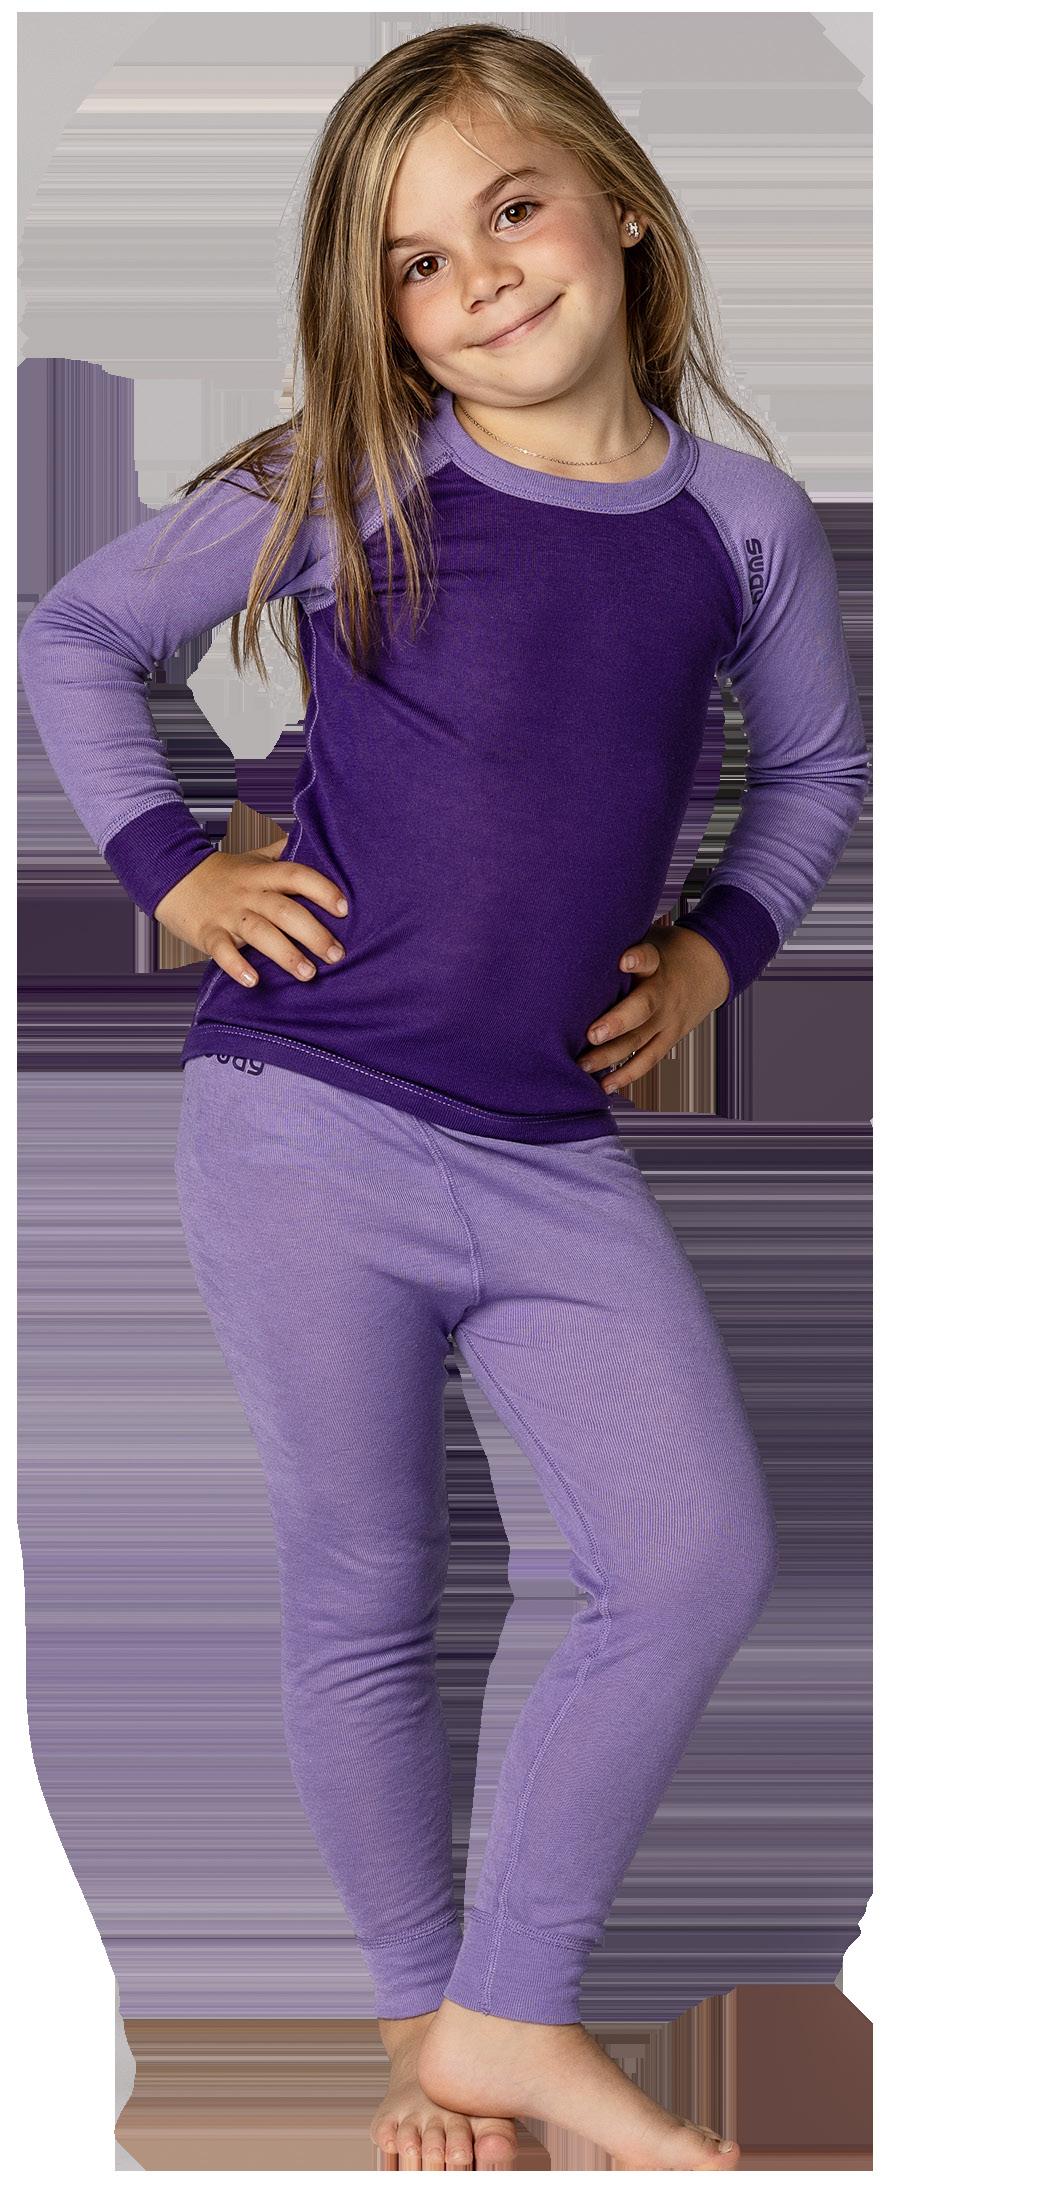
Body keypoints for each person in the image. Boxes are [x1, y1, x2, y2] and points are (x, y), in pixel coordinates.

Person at [18, 21, 869, 2174]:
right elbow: (75, 634)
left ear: (623, 209)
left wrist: (717, 951)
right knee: (366, 1584)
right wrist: (174, 867)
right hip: (304, 1119)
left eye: (512, 208)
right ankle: (435, 2030)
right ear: (375, 307)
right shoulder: (360, 475)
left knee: (693, 1556)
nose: (479, 277)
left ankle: (504, 2012)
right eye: (416, 259)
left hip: (556, 1157)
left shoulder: (744, 522)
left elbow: (817, 771)